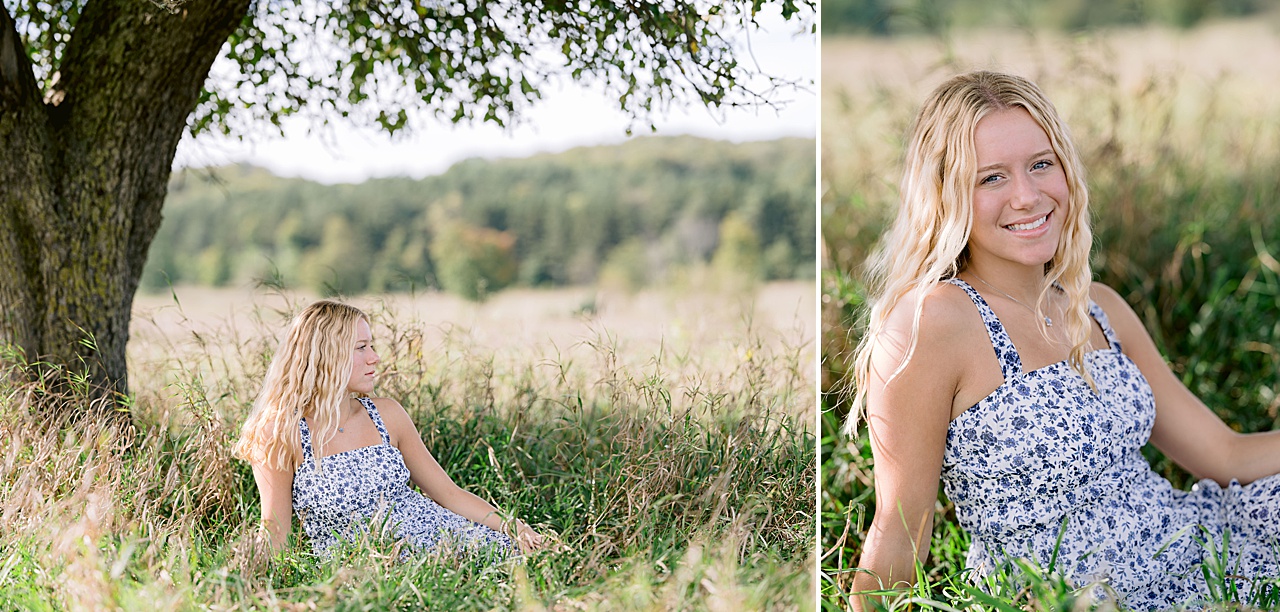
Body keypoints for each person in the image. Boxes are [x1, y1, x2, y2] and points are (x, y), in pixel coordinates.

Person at [848, 71, 1280, 609]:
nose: (1027, 197)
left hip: (1203, 552)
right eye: (991, 178)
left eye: (1040, 164)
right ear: (945, 192)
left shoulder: (1097, 305)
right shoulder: (931, 324)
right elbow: (898, 535)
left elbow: (1224, 453)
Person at [232, 299, 545, 558]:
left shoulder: (387, 414)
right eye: (361, 347)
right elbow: (276, 532)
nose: (375, 358)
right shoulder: (278, 431)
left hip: (446, 542)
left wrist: (511, 526)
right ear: (327, 354)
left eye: (372, 346)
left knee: (535, 557)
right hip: (365, 569)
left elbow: (448, 493)